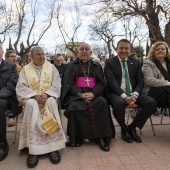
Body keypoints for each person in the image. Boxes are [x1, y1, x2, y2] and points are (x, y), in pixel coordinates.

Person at [16, 46, 66, 168]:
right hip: (32, 99)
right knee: (30, 104)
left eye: (43, 54)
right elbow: (21, 87)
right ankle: (33, 150)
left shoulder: (51, 67)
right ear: (32, 57)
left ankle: (53, 147)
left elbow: (56, 84)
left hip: (47, 97)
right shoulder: (25, 70)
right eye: (38, 54)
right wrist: (34, 96)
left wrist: (47, 94)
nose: (42, 57)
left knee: (51, 103)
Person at [61, 42, 115, 152]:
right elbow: (68, 84)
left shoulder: (97, 66)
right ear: (77, 52)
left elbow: (101, 83)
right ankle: (78, 137)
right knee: (74, 106)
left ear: (91, 52)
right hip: (77, 96)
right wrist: (80, 94)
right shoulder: (70, 66)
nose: (84, 51)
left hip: (94, 94)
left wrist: (93, 93)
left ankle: (100, 137)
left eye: (87, 49)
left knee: (102, 103)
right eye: (82, 49)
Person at [104, 39, 157, 143]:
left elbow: (140, 81)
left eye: (126, 48)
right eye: (121, 48)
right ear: (116, 49)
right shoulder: (109, 62)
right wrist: (125, 97)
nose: (124, 50)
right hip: (116, 93)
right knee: (119, 104)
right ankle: (124, 129)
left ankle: (132, 127)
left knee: (151, 103)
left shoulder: (136, 62)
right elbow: (111, 82)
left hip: (134, 92)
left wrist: (135, 95)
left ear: (130, 49)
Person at [0, 44, 22, 161]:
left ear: (2, 52)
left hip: (8, 99)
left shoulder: (11, 67)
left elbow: (11, 86)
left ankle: (2, 143)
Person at [143, 41, 170, 116]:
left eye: (162, 49)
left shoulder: (168, 63)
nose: (160, 50)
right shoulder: (148, 63)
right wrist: (167, 83)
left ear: (166, 51)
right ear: (153, 52)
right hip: (151, 91)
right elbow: (149, 80)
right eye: (157, 49)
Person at [5, 50, 22, 126]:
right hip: (3, 89)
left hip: (15, 90)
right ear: (6, 58)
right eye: (12, 57)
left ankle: (11, 116)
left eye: (15, 57)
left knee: (13, 95)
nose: (14, 58)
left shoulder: (19, 68)